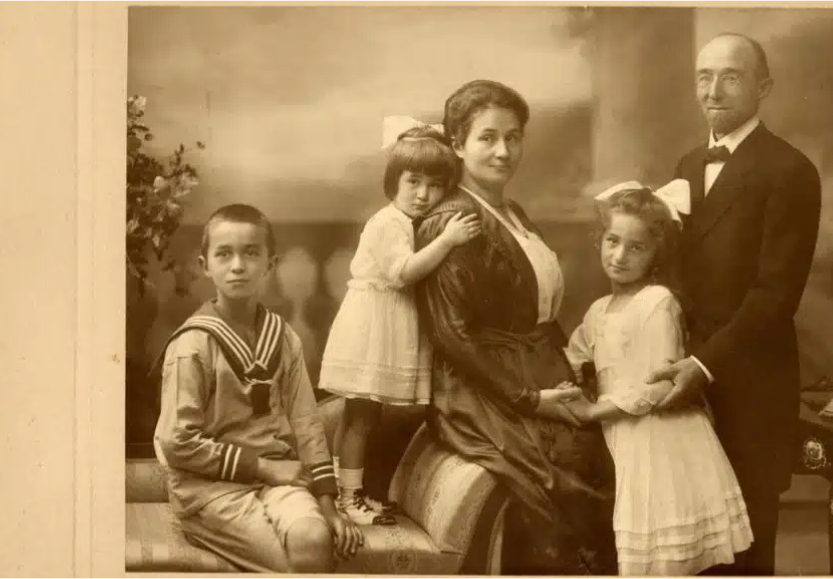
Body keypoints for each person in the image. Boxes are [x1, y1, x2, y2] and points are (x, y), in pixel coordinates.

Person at [413, 79, 616, 575]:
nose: (503, 151)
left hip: (539, 368)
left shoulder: (511, 212)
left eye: (513, 137)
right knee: (564, 475)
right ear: (457, 144)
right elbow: (451, 337)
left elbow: (538, 312)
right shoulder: (451, 222)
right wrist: (528, 398)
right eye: (487, 138)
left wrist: (577, 365)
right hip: (484, 391)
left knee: (620, 448)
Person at [646, 33, 822, 575]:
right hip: (681, 381)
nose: (713, 90)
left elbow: (775, 296)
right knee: (690, 544)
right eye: (703, 76)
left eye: (731, 76)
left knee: (744, 550)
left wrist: (701, 364)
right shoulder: (686, 162)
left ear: (763, 87)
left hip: (749, 388)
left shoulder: (790, 171)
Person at [153, 203, 364, 573]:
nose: (238, 266)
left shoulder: (283, 338)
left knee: (314, 539)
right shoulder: (191, 346)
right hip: (209, 490)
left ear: (270, 263)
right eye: (224, 254)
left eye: (251, 253)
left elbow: (307, 424)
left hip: (280, 480)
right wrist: (263, 468)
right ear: (205, 265)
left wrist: (329, 506)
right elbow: (176, 443)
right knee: (300, 563)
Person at [559, 182, 753, 576]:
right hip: (620, 433)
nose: (619, 255)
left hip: (659, 438)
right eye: (612, 241)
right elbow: (572, 357)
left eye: (636, 247)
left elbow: (659, 387)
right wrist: (566, 385)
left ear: (656, 255)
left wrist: (594, 410)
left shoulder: (658, 302)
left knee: (660, 552)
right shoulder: (598, 310)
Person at [318, 121, 482, 525]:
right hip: (372, 325)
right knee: (360, 416)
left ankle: (348, 493)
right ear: (394, 181)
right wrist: (449, 240)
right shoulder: (387, 222)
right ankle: (348, 497)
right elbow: (403, 272)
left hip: (382, 322)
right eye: (413, 181)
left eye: (435, 185)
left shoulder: (402, 221)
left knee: (363, 416)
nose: (423, 194)